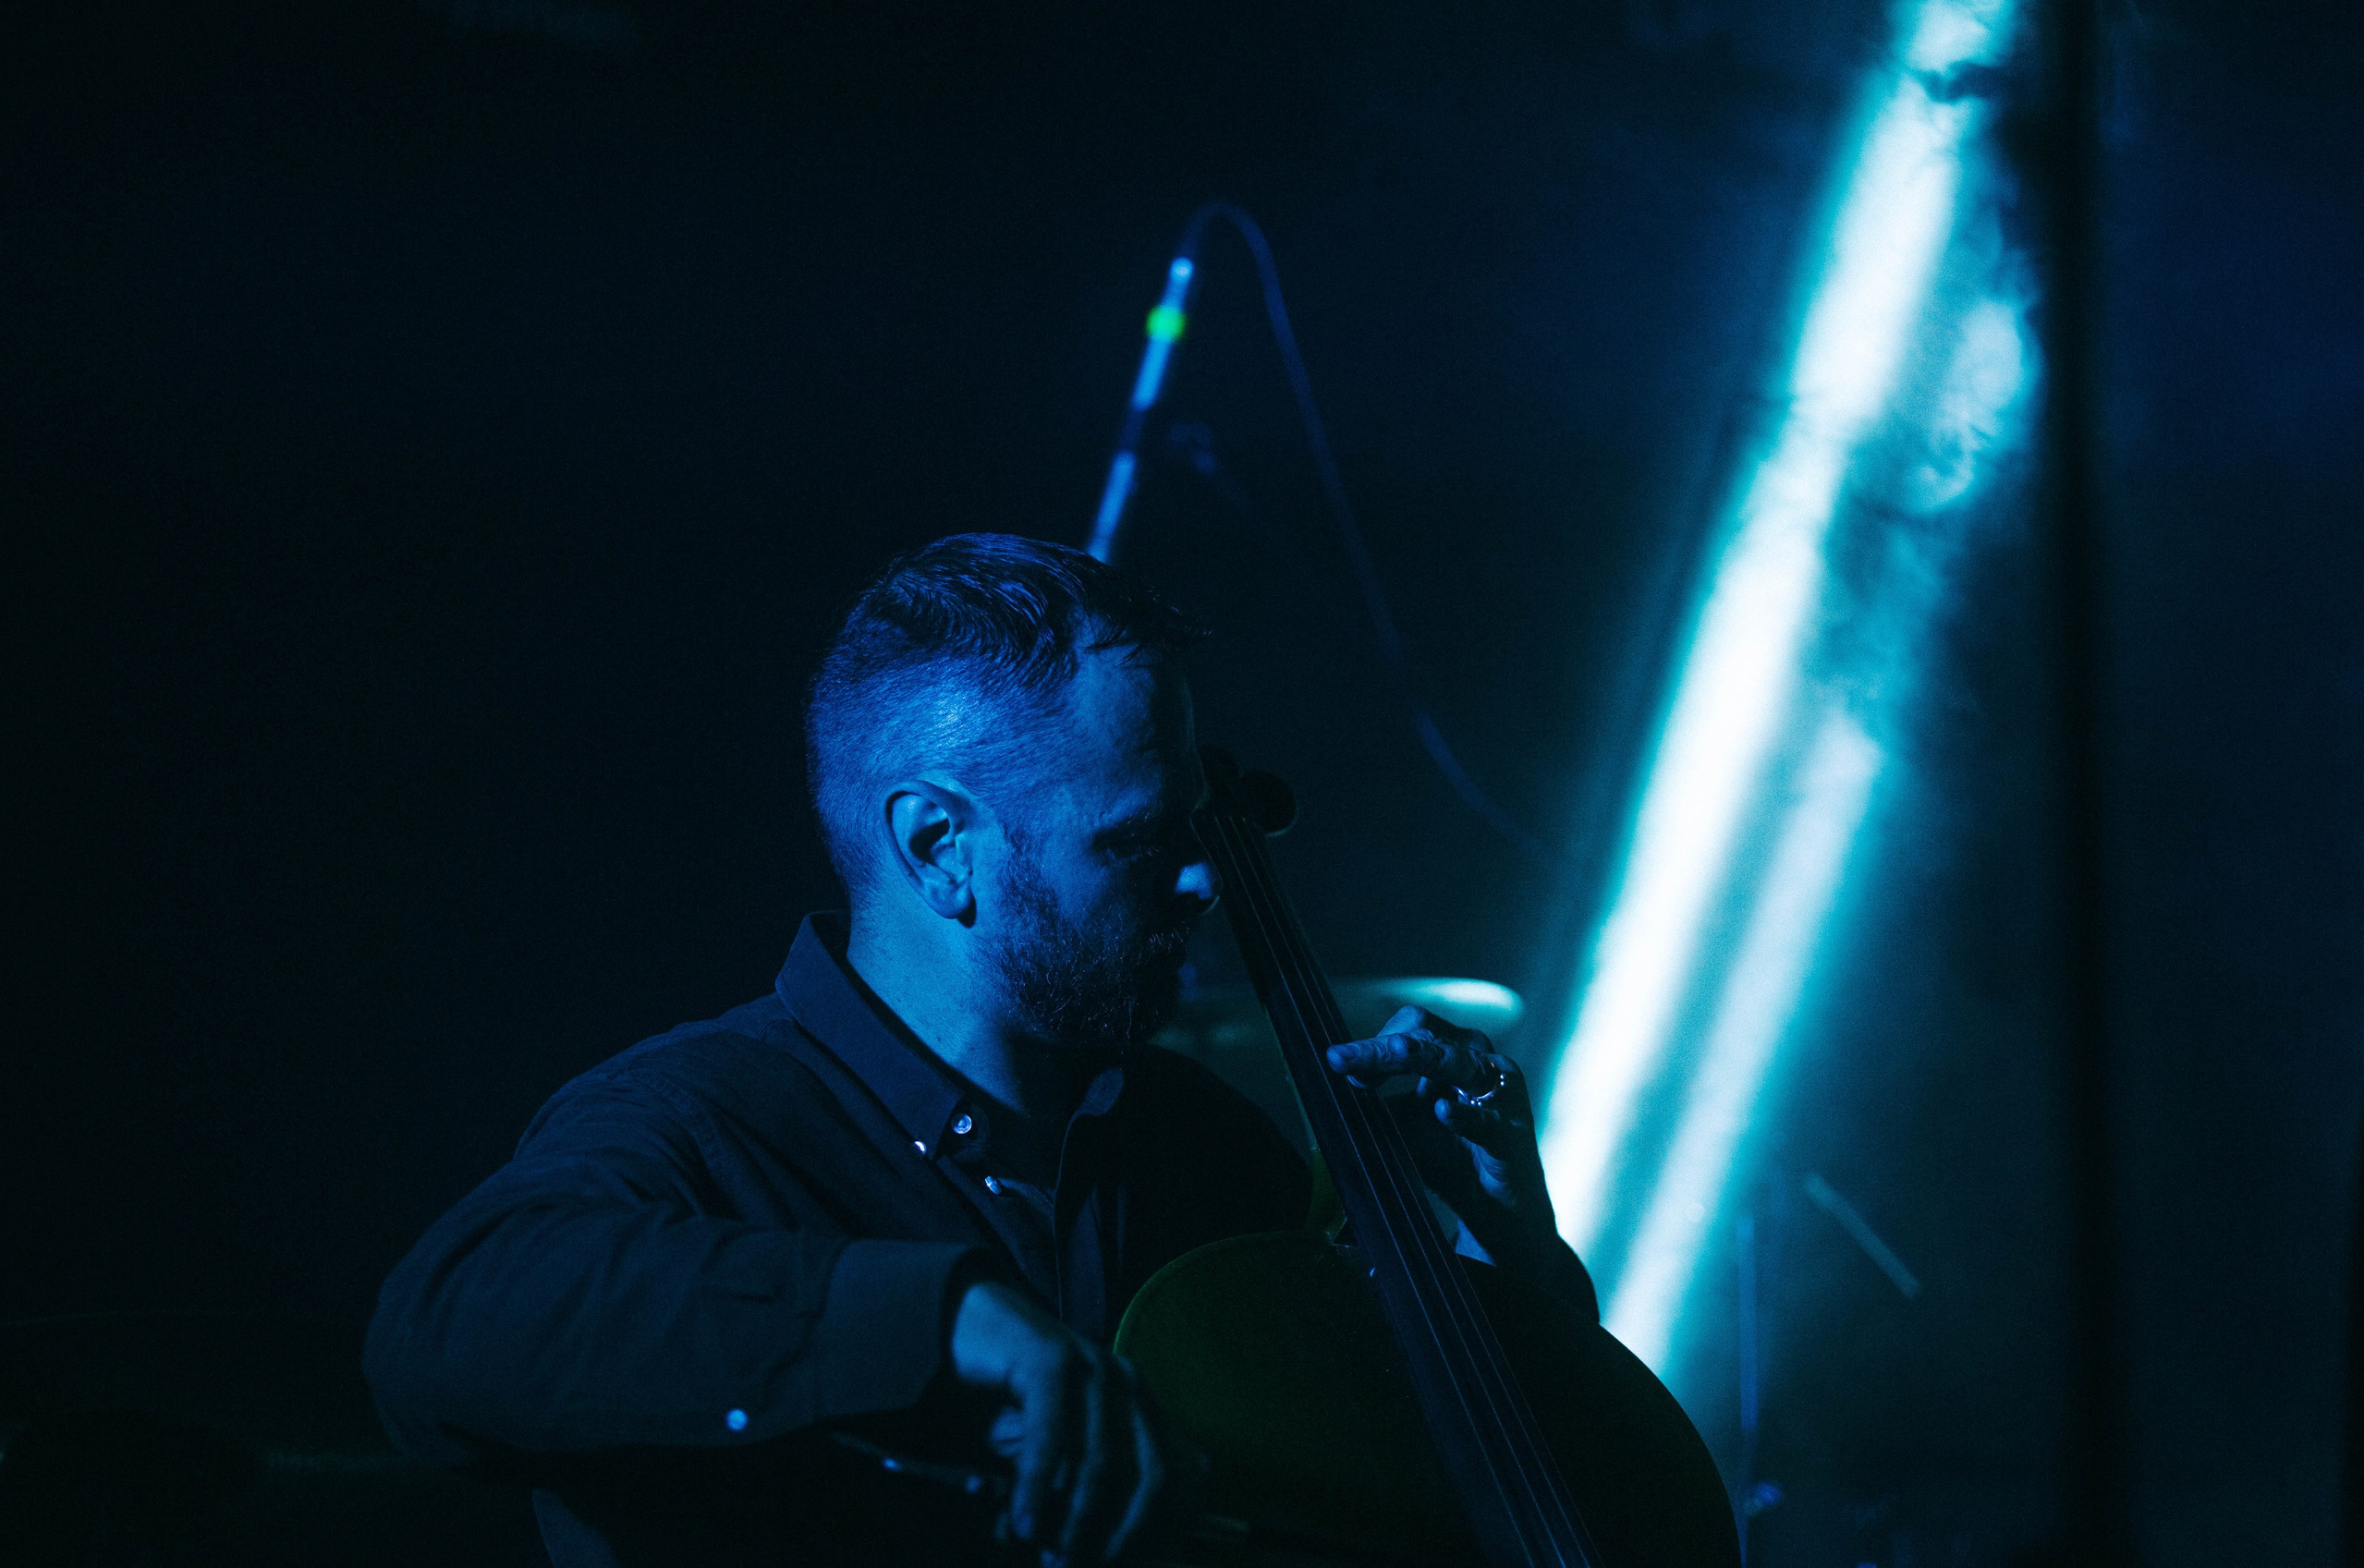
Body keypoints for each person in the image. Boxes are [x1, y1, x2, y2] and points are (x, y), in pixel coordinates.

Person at [364, 533, 1595, 1567]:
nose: (1207, 874)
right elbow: (446, 1322)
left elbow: (1411, 1499)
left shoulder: (1205, 1152)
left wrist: (1506, 1253)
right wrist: (951, 1319)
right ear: (942, 848)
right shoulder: (700, 1118)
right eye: (1134, 841)